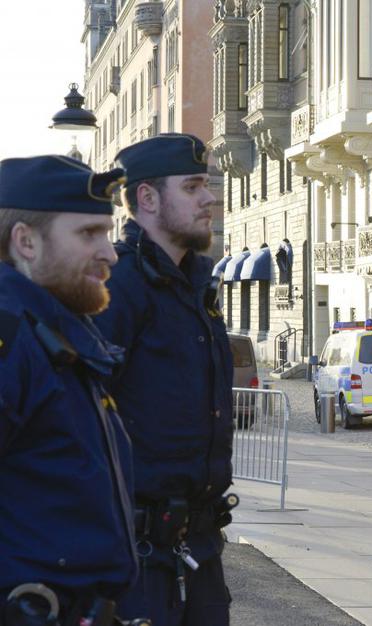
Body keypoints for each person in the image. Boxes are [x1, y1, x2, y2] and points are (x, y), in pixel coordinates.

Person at [93, 134, 235, 626]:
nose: (209, 198)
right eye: (192, 187)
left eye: (206, 185)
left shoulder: (196, 284)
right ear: (148, 198)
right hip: (136, 555)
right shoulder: (117, 285)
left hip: (199, 545)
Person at [0, 156, 139, 625]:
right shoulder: (11, 337)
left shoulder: (55, 332)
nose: (110, 254)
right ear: (26, 241)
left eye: (107, 233)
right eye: (88, 234)